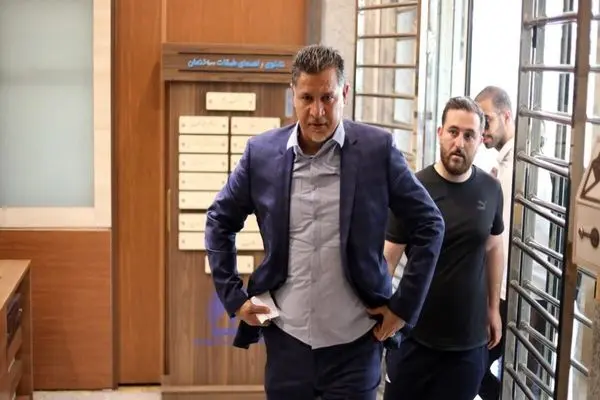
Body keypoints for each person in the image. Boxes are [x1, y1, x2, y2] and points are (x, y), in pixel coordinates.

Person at [204, 44, 445, 400]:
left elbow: (429, 224)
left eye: (327, 98)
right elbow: (219, 220)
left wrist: (403, 308)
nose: (317, 112)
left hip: (356, 344)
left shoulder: (377, 150)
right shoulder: (261, 154)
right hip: (287, 342)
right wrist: (234, 297)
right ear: (293, 95)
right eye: (307, 98)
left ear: (344, 94)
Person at [383, 96, 505, 400]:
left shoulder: (491, 190)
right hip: (413, 338)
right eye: (453, 132)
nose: (459, 143)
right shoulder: (413, 189)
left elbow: (493, 248)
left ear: (480, 140)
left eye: (469, 135)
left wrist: (493, 308)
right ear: (440, 133)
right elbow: (388, 259)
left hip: (467, 345)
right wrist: (382, 314)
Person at [474, 86, 514, 399]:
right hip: (501, 289)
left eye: (486, 119)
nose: (481, 128)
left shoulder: (521, 167)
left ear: (506, 116)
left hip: (514, 292)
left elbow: (502, 237)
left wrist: (494, 301)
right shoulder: (501, 165)